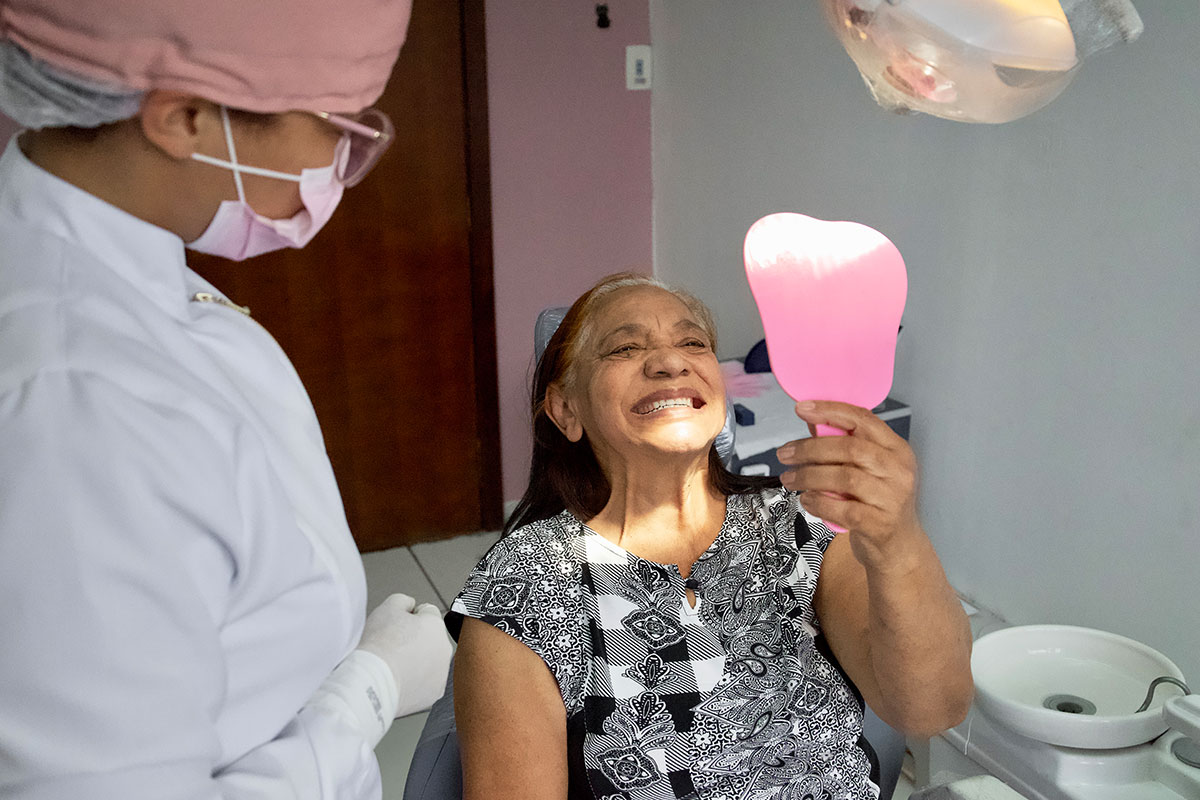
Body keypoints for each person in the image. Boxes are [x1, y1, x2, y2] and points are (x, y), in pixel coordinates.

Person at [0, 2, 452, 797]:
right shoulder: (77, 411)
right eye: (337, 124)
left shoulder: (114, 258)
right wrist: (363, 695)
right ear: (185, 118)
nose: (341, 162)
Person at [449, 273, 974, 800]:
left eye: (693, 343)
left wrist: (896, 541)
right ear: (567, 411)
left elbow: (932, 709)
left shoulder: (802, 523)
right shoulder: (523, 588)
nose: (670, 362)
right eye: (625, 348)